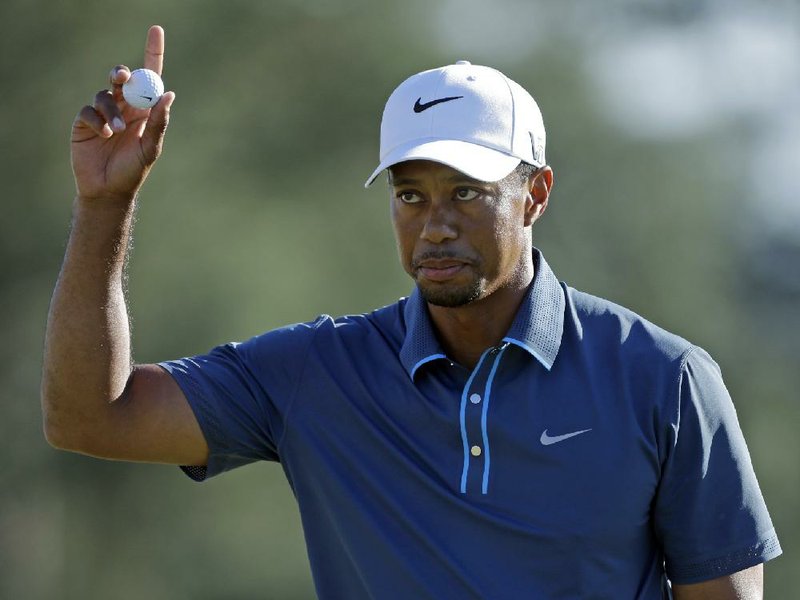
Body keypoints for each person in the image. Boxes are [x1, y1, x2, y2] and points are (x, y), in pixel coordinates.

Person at [42, 25, 781, 599]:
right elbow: (89, 418)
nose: (435, 225)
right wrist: (106, 206)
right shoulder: (316, 374)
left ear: (537, 195)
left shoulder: (665, 380)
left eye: (467, 192)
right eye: (410, 194)